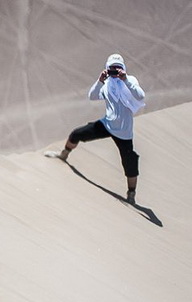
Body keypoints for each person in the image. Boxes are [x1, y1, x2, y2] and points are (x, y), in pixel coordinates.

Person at [46, 53, 146, 204]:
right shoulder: (107, 85)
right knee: (76, 134)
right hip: (106, 125)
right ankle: (63, 155)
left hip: (124, 132)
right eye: (112, 68)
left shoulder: (130, 80)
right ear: (107, 68)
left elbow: (140, 96)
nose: (115, 71)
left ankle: (131, 194)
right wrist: (100, 81)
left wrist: (125, 79)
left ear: (123, 68)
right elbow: (92, 96)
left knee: (130, 162)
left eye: (118, 68)